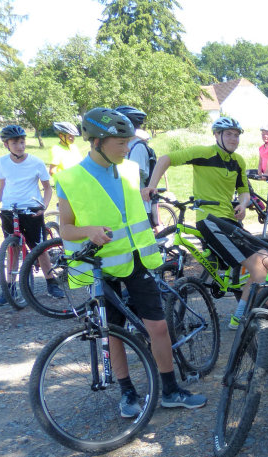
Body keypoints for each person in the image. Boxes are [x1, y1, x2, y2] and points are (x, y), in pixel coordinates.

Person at [56, 108, 206, 414]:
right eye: (120, 143)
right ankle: (127, 393)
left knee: (158, 327)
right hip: (100, 267)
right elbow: (65, 229)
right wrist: (89, 231)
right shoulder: (70, 178)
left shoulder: (128, 169)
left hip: (137, 260)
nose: (127, 148)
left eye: (128, 142)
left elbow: (126, 207)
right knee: (112, 332)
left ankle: (170, 390)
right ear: (96, 142)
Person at [144, 117, 268, 330]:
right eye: (228, 134)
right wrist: (151, 185)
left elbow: (243, 191)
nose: (234, 138)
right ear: (217, 135)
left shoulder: (238, 161)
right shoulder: (204, 153)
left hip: (230, 221)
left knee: (266, 261)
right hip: (210, 220)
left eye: (236, 135)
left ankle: (239, 317)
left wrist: (242, 204)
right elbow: (166, 159)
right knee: (258, 265)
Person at [0, 125, 62, 304]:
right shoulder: (1, 162)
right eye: (15, 143)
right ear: (6, 144)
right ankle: (10, 288)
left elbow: (47, 188)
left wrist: (43, 206)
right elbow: (2, 188)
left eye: (22, 142)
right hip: (9, 210)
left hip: (32, 209)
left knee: (39, 248)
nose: (20, 146)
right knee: (12, 248)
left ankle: (51, 282)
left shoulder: (36, 162)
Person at [115, 106, 157, 225]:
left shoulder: (138, 147)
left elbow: (134, 175)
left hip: (139, 205)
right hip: (130, 204)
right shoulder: (129, 145)